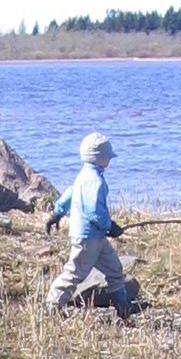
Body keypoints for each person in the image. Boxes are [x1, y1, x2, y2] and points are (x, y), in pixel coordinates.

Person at [45, 132, 134, 320]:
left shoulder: (84, 176)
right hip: (88, 237)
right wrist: (110, 226)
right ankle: (52, 306)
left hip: (97, 237)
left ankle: (124, 309)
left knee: (114, 269)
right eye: (108, 157)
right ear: (102, 158)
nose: (109, 161)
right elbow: (94, 211)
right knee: (75, 272)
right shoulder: (95, 180)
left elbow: (69, 194)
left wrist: (57, 212)